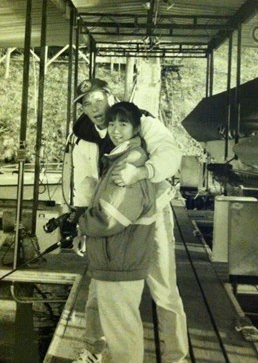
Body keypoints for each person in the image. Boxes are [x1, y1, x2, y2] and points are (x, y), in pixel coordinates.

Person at [71, 78, 189, 363]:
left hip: (149, 216)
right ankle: (94, 349)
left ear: (109, 96)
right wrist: (81, 226)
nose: (93, 107)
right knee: (100, 285)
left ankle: (176, 356)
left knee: (163, 286)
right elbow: (84, 182)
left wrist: (142, 172)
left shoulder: (141, 121)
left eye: (98, 99)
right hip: (108, 218)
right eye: (86, 103)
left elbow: (172, 155)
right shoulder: (83, 136)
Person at [77, 101, 157, 363]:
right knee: (111, 328)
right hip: (113, 261)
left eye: (123, 124)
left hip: (120, 261)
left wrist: (82, 224)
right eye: (112, 123)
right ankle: (94, 354)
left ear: (136, 128)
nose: (115, 129)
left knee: (123, 337)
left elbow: (110, 219)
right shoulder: (121, 157)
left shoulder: (130, 163)